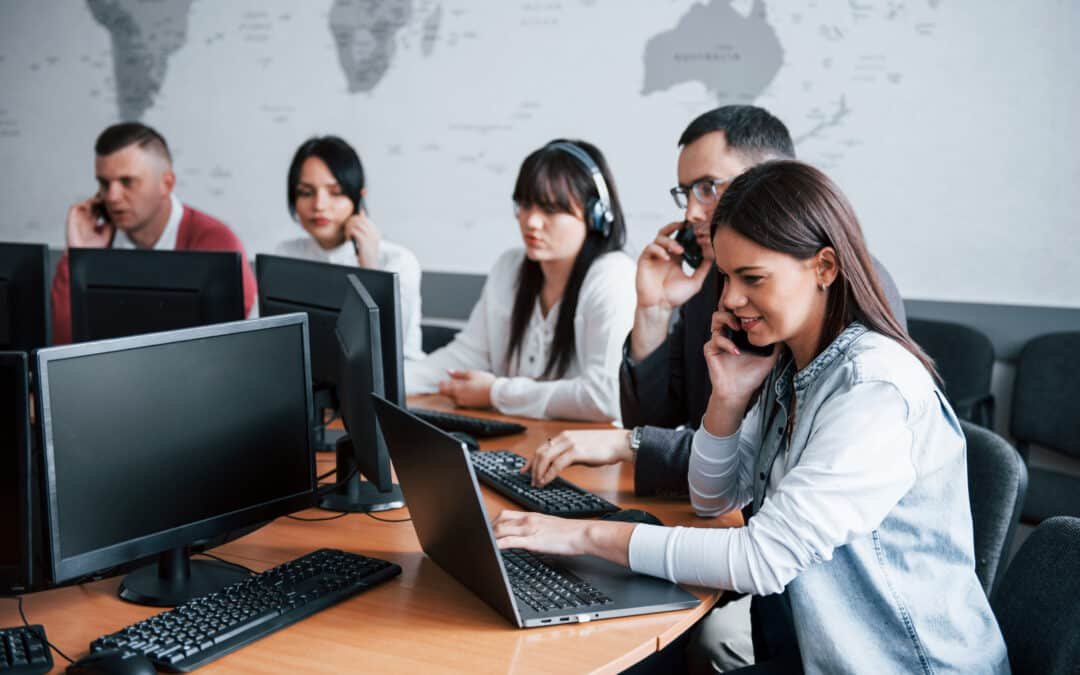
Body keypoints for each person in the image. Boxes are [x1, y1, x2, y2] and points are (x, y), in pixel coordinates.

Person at [494, 160, 1008, 674]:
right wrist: (727, 399)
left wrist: (581, 536)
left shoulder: (872, 388)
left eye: (752, 278)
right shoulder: (790, 366)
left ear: (825, 268)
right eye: (725, 277)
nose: (731, 299)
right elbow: (712, 498)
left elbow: (761, 560)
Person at [405, 139, 635, 422]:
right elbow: (466, 356)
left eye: (550, 209)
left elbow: (605, 397)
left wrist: (496, 393)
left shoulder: (613, 277)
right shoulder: (510, 267)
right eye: (525, 205)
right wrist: (385, 382)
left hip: (592, 458)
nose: (531, 222)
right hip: (523, 443)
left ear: (596, 215)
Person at [51, 122, 257, 345]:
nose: (111, 197)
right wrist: (79, 256)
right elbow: (62, 346)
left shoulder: (215, 241)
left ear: (166, 184)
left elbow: (239, 347)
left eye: (127, 182)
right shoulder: (98, 241)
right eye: (104, 183)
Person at [275, 136, 423, 361]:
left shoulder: (398, 261)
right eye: (306, 192)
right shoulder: (286, 254)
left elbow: (387, 349)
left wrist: (370, 268)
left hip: (399, 386)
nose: (319, 205)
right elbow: (258, 329)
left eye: (335, 193)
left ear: (358, 197)